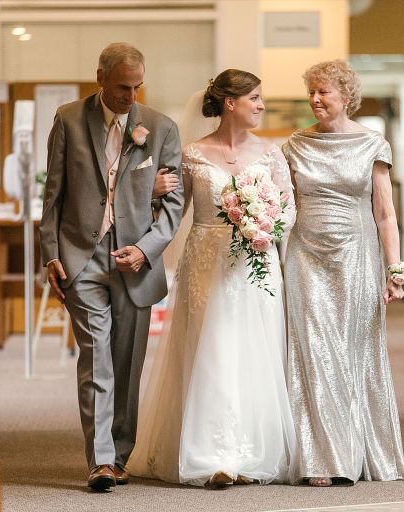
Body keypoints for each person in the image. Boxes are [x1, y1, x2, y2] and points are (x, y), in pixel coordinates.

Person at [127, 69, 296, 489]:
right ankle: (213, 454)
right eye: (254, 98)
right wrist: (146, 214)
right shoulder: (193, 154)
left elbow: (289, 209)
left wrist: (266, 223)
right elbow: (172, 214)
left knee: (255, 352)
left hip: (256, 265)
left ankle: (252, 452)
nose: (261, 105)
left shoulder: (272, 153)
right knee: (213, 349)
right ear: (230, 103)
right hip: (206, 260)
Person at [39, 42, 184, 491]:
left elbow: (174, 204)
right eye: (123, 87)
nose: (131, 96)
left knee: (128, 362)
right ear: (100, 78)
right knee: (97, 356)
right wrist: (50, 253)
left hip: (135, 261)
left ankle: (121, 454)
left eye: (138, 87)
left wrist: (145, 249)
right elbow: (54, 195)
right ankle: (101, 460)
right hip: (81, 256)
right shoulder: (67, 119)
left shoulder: (160, 128)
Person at [283, 60, 404, 487]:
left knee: (351, 350)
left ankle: (356, 449)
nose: (316, 100)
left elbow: (385, 213)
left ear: (346, 97)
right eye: (312, 92)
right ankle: (323, 458)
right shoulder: (295, 145)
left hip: (357, 255)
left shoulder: (372, 143)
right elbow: (284, 205)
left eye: (324, 92)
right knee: (313, 350)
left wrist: (395, 270)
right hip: (304, 254)